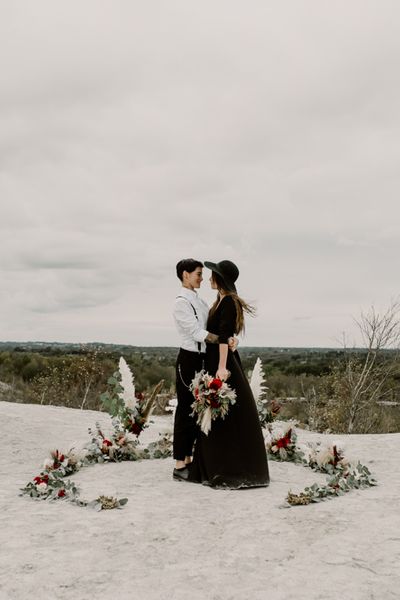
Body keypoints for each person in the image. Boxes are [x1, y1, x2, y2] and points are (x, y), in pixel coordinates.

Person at [188, 260, 270, 489]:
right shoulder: (221, 300)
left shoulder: (229, 302)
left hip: (222, 363)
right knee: (220, 416)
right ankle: (214, 464)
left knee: (228, 414)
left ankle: (233, 468)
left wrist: (222, 368)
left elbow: (224, 336)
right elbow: (224, 335)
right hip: (216, 358)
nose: (209, 278)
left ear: (221, 278)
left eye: (213, 274)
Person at [172, 259, 237, 482]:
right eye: (198, 274)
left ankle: (191, 459)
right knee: (184, 410)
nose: (202, 277)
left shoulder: (199, 301)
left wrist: (229, 340)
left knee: (196, 410)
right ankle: (180, 463)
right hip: (188, 360)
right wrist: (223, 339)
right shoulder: (181, 303)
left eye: (202, 274)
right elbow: (197, 332)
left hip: (203, 360)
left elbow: (213, 326)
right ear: (185, 275)